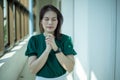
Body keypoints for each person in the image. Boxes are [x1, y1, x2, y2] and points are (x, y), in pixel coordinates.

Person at [25, 4, 77, 80]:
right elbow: (33, 70)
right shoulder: (34, 40)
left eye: (53, 19)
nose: (50, 22)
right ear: (41, 21)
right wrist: (47, 50)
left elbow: (70, 68)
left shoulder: (66, 39)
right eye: (46, 19)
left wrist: (55, 48)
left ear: (57, 22)